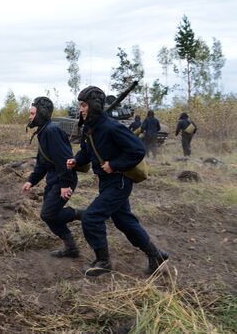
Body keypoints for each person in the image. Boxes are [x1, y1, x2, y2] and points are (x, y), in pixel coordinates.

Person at [66, 86, 169, 277]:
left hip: (119, 181)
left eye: (83, 105)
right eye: (80, 105)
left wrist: (114, 164)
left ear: (94, 105)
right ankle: (156, 255)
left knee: (91, 217)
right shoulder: (90, 128)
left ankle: (103, 262)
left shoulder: (112, 127)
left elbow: (138, 150)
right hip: (106, 182)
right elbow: (86, 152)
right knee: (124, 221)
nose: (81, 109)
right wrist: (76, 160)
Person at [22, 97, 82, 258]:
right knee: (50, 216)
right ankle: (71, 248)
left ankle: (84, 215)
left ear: (41, 113)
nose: (29, 116)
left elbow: (65, 159)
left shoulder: (51, 131)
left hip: (63, 180)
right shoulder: (43, 131)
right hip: (54, 179)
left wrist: (65, 185)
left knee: (48, 214)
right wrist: (31, 181)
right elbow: (43, 163)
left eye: (32, 113)